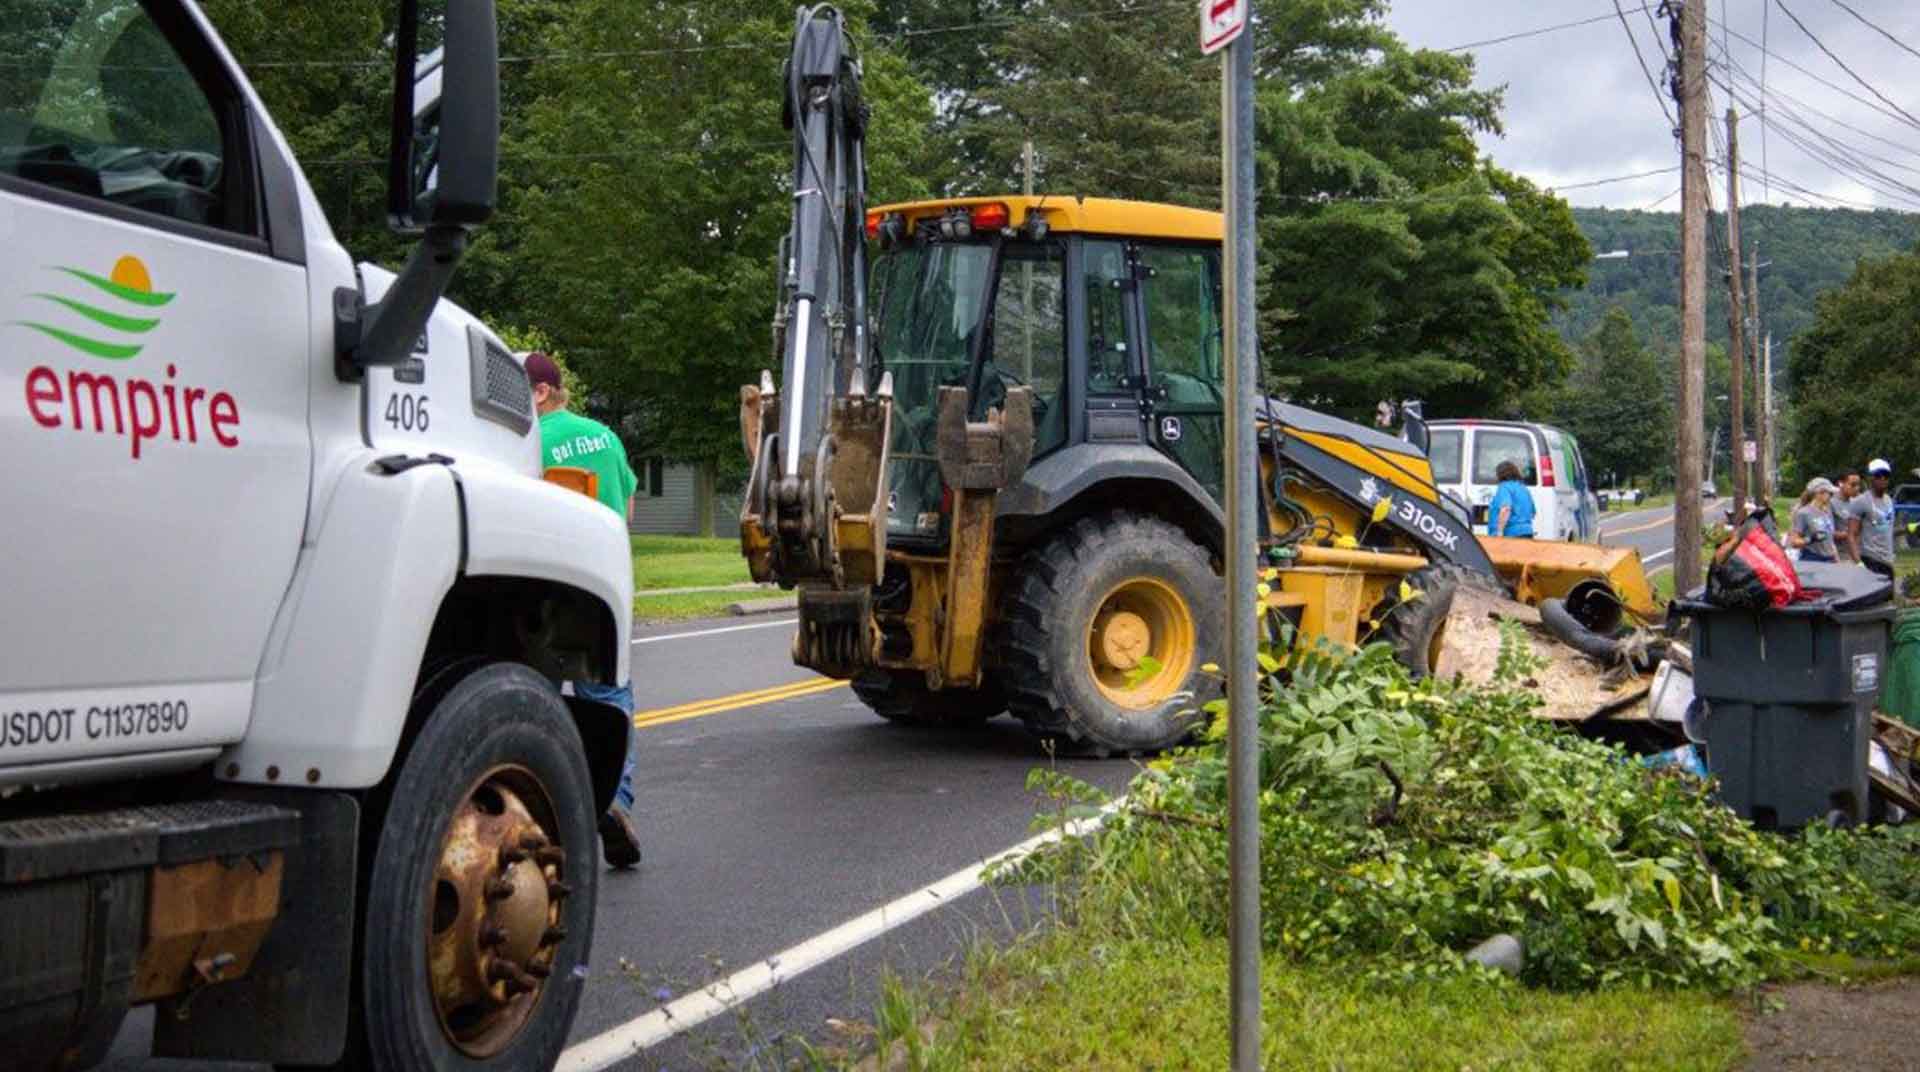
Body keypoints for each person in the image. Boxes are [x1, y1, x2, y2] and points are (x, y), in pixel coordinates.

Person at [527, 351, 644, 870]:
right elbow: (629, 506)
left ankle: (539, 819)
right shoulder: (606, 437)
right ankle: (615, 803)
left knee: (538, 702)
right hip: (601, 587)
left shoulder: (526, 442)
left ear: (541, 393)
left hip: (545, 588)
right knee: (610, 697)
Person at [1853, 459, 1897, 579]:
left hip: (1887, 561)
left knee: (1889, 597)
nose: (1882, 478)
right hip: (1870, 560)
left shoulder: (1889, 500)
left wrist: (1910, 529)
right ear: (1870, 478)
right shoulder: (1861, 501)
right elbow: (1851, 534)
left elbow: (1887, 529)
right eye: (1878, 475)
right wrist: (1858, 562)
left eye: (1886, 475)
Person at [1790, 477, 1840, 563]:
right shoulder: (1804, 513)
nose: (1831, 497)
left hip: (1829, 559)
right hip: (1812, 559)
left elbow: (1830, 541)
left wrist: (1837, 561)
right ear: (1819, 493)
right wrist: (1811, 539)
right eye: (1830, 494)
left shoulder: (1827, 511)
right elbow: (1794, 542)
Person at [1489, 459, 1535, 539]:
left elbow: (1506, 509)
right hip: (1527, 532)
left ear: (1500, 474)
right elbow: (1533, 512)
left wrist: (1499, 532)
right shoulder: (1523, 488)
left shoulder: (1505, 487)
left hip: (1511, 534)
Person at [1834, 470, 1864, 562]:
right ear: (1841, 484)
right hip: (1842, 556)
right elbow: (1827, 533)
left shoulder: (1860, 502)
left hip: (1861, 553)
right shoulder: (1831, 503)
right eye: (1853, 485)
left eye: (1858, 485)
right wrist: (1850, 534)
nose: (1857, 488)